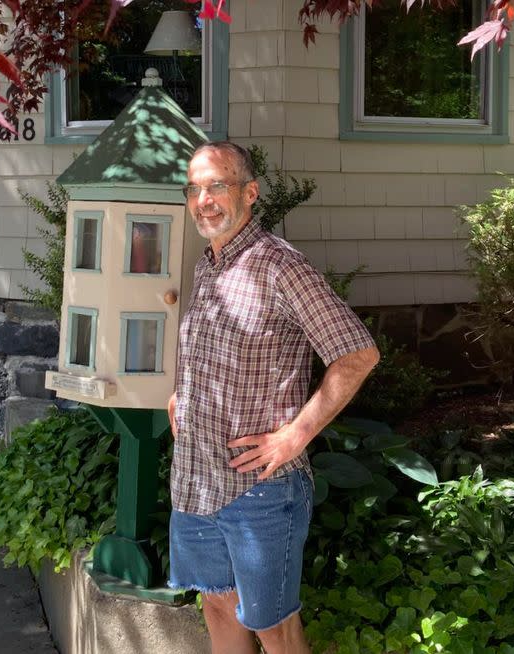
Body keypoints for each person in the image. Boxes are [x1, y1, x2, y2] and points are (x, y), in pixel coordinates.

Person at [167, 141, 379, 654]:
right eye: (194, 188)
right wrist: (182, 393)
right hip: (194, 478)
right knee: (217, 604)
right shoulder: (209, 264)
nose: (204, 200)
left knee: (273, 630)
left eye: (217, 184)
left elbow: (357, 354)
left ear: (250, 192)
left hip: (258, 491)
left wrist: (296, 434)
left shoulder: (280, 266)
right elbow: (220, 344)